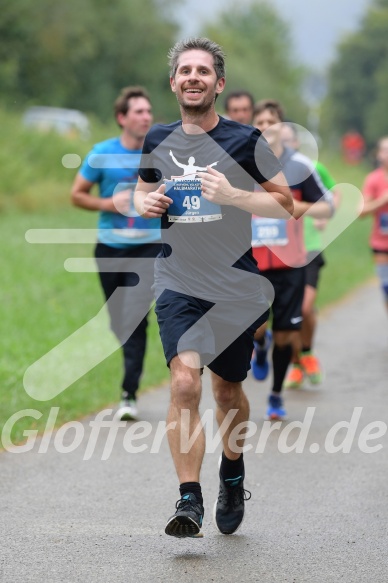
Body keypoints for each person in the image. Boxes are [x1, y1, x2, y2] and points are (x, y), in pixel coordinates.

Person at [134, 38, 294, 538]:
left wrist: (234, 195)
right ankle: (189, 500)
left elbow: (284, 203)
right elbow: (142, 189)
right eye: (185, 70)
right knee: (184, 383)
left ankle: (232, 469)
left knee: (227, 390)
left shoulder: (246, 140)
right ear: (174, 82)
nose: (194, 77)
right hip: (178, 280)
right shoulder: (157, 138)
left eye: (204, 70)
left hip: (235, 286)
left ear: (218, 84)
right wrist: (146, 203)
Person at [71, 86, 161, 421]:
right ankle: (129, 380)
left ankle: (129, 393)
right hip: (110, 248)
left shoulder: (160, 153)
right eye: (138, 112)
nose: (146, 117)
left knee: (136, 317)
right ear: (122, 118)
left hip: (151, 247)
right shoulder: (101, 153)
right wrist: (106, 204)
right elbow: (77, 195)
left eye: (149, 111)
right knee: (118, 320)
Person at [250, 100, 334, 420]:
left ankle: (275, 394)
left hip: (291, 265)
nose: (265, 127)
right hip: (253, 264)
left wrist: (296, 210)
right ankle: (259, 347)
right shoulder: (241, 164)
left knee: (286, 335)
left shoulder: (299, 166)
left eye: (271, 122)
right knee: (256, 326)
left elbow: (327, 207)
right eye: (259, 122)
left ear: (283, 129)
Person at [280, 122, 339, 389]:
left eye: (290, 141)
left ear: (296, 143)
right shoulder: (266, 173)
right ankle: (294, 363)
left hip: (310, 246)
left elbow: (332, 193)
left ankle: (307, 352)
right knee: (288, 312)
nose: (286, 146)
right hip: (282, 248)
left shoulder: (310, 168)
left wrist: (324, 217)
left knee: (305, 307)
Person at [360, 136, 388, 313]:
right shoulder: (373, 179)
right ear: (378, 154)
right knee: (387, 289)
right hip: (381, 244)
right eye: (385, 150)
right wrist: (383, 200)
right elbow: (361, 211)